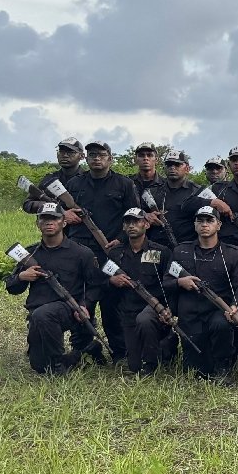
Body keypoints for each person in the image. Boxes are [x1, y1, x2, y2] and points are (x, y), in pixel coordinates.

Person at [4, 203, 100, 374]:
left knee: (44, 315)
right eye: (44, 219)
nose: (49, 223)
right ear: (37, 224)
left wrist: (85, 305)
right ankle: (80, 354)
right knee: (39, 366)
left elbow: (96, 285)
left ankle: (58, 365)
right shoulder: (30, 254)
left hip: (70, 310)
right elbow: (13, 288)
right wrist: (21, 277)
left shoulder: (81, 253)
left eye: (54, 218)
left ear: (64, 222)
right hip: (38, 313)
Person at [65, 138, 138, 360]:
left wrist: (121, 239)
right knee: (79, 298)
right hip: (79, 253)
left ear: (110, 158)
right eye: (92, 155)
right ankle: (84, 348)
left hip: (110, 252)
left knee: (111, 302)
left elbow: (134, 216)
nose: (97, 158)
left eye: (101, 155)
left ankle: (120, 352)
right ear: (85, 158)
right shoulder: (75, 184)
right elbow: (61, 218)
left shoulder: (124, 184)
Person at [171, 205, 238, 382]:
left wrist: (235, 306)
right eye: (200, 220)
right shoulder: (180, 251)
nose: (205, 224)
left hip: (217, 311)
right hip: (190, 314)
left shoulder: (232, 253)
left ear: (219, 225)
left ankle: (223, 367)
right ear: (195, 225)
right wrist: (180, 282)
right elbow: (167, 281)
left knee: (221, 326)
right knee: (196, 369)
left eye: (209, 220)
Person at [105, 207, 176, 375]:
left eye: (137, 222)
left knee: (144, 320)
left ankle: (153, 361)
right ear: (123, 227)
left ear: (146, 224)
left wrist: (169, 309)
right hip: (128, 312)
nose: (132, 226)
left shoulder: (161, 252)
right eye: (128, 222)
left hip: (153, 309)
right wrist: (111, 280)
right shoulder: (115, 254)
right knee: (134, 366)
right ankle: (162, 347)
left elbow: (170, 282)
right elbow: (100, 281)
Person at [145, 150, 207, 246]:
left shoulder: (199, 192)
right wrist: (146, 215)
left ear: (187, 168)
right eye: (169, 165)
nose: (172, 168)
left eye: (177, 165)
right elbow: (137, 213)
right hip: (155, 247)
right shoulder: (151, 193)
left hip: (187, 248)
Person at [22, 138, 84, 214]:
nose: (65, 155)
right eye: (61, 152)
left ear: (81, 156)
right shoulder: (49, 179)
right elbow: (28, 205)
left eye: (71, 152)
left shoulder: (88, 179)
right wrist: (54, 208)